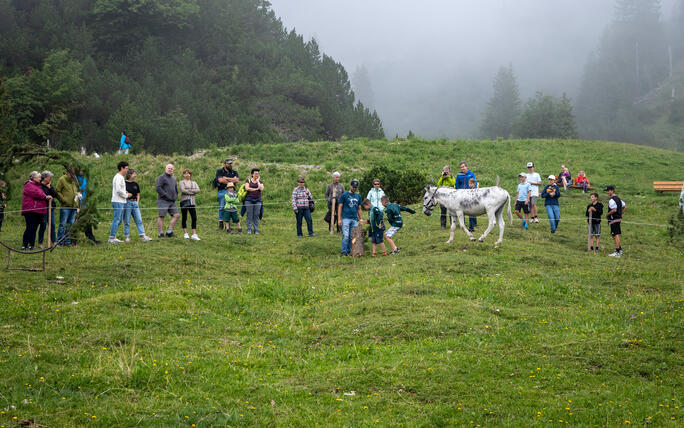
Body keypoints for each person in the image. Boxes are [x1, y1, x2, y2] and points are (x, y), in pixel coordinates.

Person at [21, 171, 52, 250]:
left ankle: (31, 244)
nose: (40, 178)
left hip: (38, 210)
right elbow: (36, 194)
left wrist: (46, 196)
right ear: (34, 178)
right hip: (30, 210)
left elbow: (40, 193)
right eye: (38, 177)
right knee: (30, 227)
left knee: (34, 228)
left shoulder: (38, 186)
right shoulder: (28, 185)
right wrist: (45, 197)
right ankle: (25, 244)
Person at [123, 169, 153, 242]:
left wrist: (137, 202)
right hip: (127, 203)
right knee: (127, 221)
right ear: (129, 175)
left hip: (135, 203)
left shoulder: (136, 184)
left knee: (139, 220)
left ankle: (143, 236)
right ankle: (127, 237)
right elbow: (122, 192)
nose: (135, 175)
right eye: (134, 174)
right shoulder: (124, 183)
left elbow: (138, 194)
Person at [55, 168, 81, 246]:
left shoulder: (74, 180)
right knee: (63, 224)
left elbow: (76, 190)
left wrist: (78, 195)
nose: (74, 175)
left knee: (70, 225)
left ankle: (67, 241)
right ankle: (60, 241)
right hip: (65, 206)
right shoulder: (62, 179)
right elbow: (57, 190)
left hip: (74, 206)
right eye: (73, 174)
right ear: (69, 173)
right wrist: (63, 200)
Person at [337, 179, 362, 256]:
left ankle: (350, 250)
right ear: (350, 186)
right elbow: (340, 207)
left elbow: (359, 208)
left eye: (356, 187)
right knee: (346, 236)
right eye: (353, 187)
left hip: (354, 219)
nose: (354, 188)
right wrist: (339, 219)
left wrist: (360, 218)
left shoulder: (358, 196)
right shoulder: (344, 195)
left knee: (352, 236)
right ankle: (344, 251)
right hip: (346, 218)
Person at [76, 169, 101, 244]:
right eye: (81, 170)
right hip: (77, 203)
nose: (82, 171)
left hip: (85, 203)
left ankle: (91, 239)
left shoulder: (85, 178)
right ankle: (72, 240)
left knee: (88, 221)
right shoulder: (75, 178)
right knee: (74, 222)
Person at [156, 164, 181, 238]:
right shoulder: (161, 177)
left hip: (172, 201)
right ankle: (160, 234)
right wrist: (165, 195)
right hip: (163, 200)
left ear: (173, 170)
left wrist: (175, 196)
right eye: (169, 168)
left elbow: (175, 189)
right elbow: (158, 188)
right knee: (161, 216)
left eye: (172, 169)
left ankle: (169, 232)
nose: (170, 169)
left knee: (177, 215)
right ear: (165, 169)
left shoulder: (174, 179)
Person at [214, 158, 239, 230]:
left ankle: (228, 225)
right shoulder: (219, 171)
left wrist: (226, 178)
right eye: (228, 163)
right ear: (225, 164)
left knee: (231, 207)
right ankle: (221, 224)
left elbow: (236, 180)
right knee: (222, 207)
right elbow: (220, 180)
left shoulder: (234, 172)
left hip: (232, 192)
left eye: (231, 163)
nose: (230, 165)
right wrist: (232, 180)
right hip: (222, 191)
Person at [109, 161, 131, 243]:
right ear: (121, 168)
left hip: (121, 201)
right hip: (118, 201)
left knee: (119, 220)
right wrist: (126, 195)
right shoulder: (118, 177)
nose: (127, 170)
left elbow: (120, 190)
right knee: (117, 219)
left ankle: (113, 236)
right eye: (126, 168)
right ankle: (111, 238)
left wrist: (125, 193)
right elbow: (118, 190)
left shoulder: (120, 177)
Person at [37, 171, 57, 248]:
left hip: (50, 208)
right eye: (49, 177)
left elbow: (55, 195)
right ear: (45, 178)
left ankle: (54, 242)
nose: (51, 179)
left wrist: (50, 188)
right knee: (43, 225)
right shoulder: (39, 186)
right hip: (43, 208)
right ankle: (40, 243)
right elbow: (42, 196)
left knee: (52, 225)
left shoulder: (49, 185)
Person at [455, 161, 477, 232]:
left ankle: (472, 225)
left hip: (470, 194)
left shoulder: (471, 174)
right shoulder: (459, 175)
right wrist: (458, 192)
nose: (462, 168)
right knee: (462, 210)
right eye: (461, 167)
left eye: (463, 166)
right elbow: (457, 184)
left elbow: (474, 182)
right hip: (462, 194)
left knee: (472, 210)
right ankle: (463, 225)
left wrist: (473, 188)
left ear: (467, 167)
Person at [179, 169, 201, 240]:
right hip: (184, 201)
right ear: (183, 175)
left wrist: (188, 190)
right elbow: (183, 190)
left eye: (188, 173)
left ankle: (194, 234)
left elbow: (198, 190)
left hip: (192, 202)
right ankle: (185, 233)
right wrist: (193, 192)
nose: (187, 174)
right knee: (184, 217)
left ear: (190, 175)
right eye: (185, 173)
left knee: (194, 217)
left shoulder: (194, 182)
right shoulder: (181, 182)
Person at [605, 185, 626, 257]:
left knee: (615, 234)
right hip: (618, 218)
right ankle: (619, 249)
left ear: (612, 190)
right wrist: (620, 214)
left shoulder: (612, 200)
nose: (607, 192)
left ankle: (617, 252)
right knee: (614, 234)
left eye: (608, 191)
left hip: (614, 219)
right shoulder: (619, 199)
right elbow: (624, 206)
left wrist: (607, 215)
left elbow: (614, 210)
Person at [244, 168, 263, 235]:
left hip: (258, 200)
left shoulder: (260, 181)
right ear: (252, 174)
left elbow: (261, 188)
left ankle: (256, 230)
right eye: (255, 173)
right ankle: (249, 229)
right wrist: (256, 189)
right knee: (249, 215)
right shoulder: (248, 180)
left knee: (256, 215)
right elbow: (247, 188)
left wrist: (257, 181)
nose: (256, 175)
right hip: (249, 200)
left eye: (258, 173)